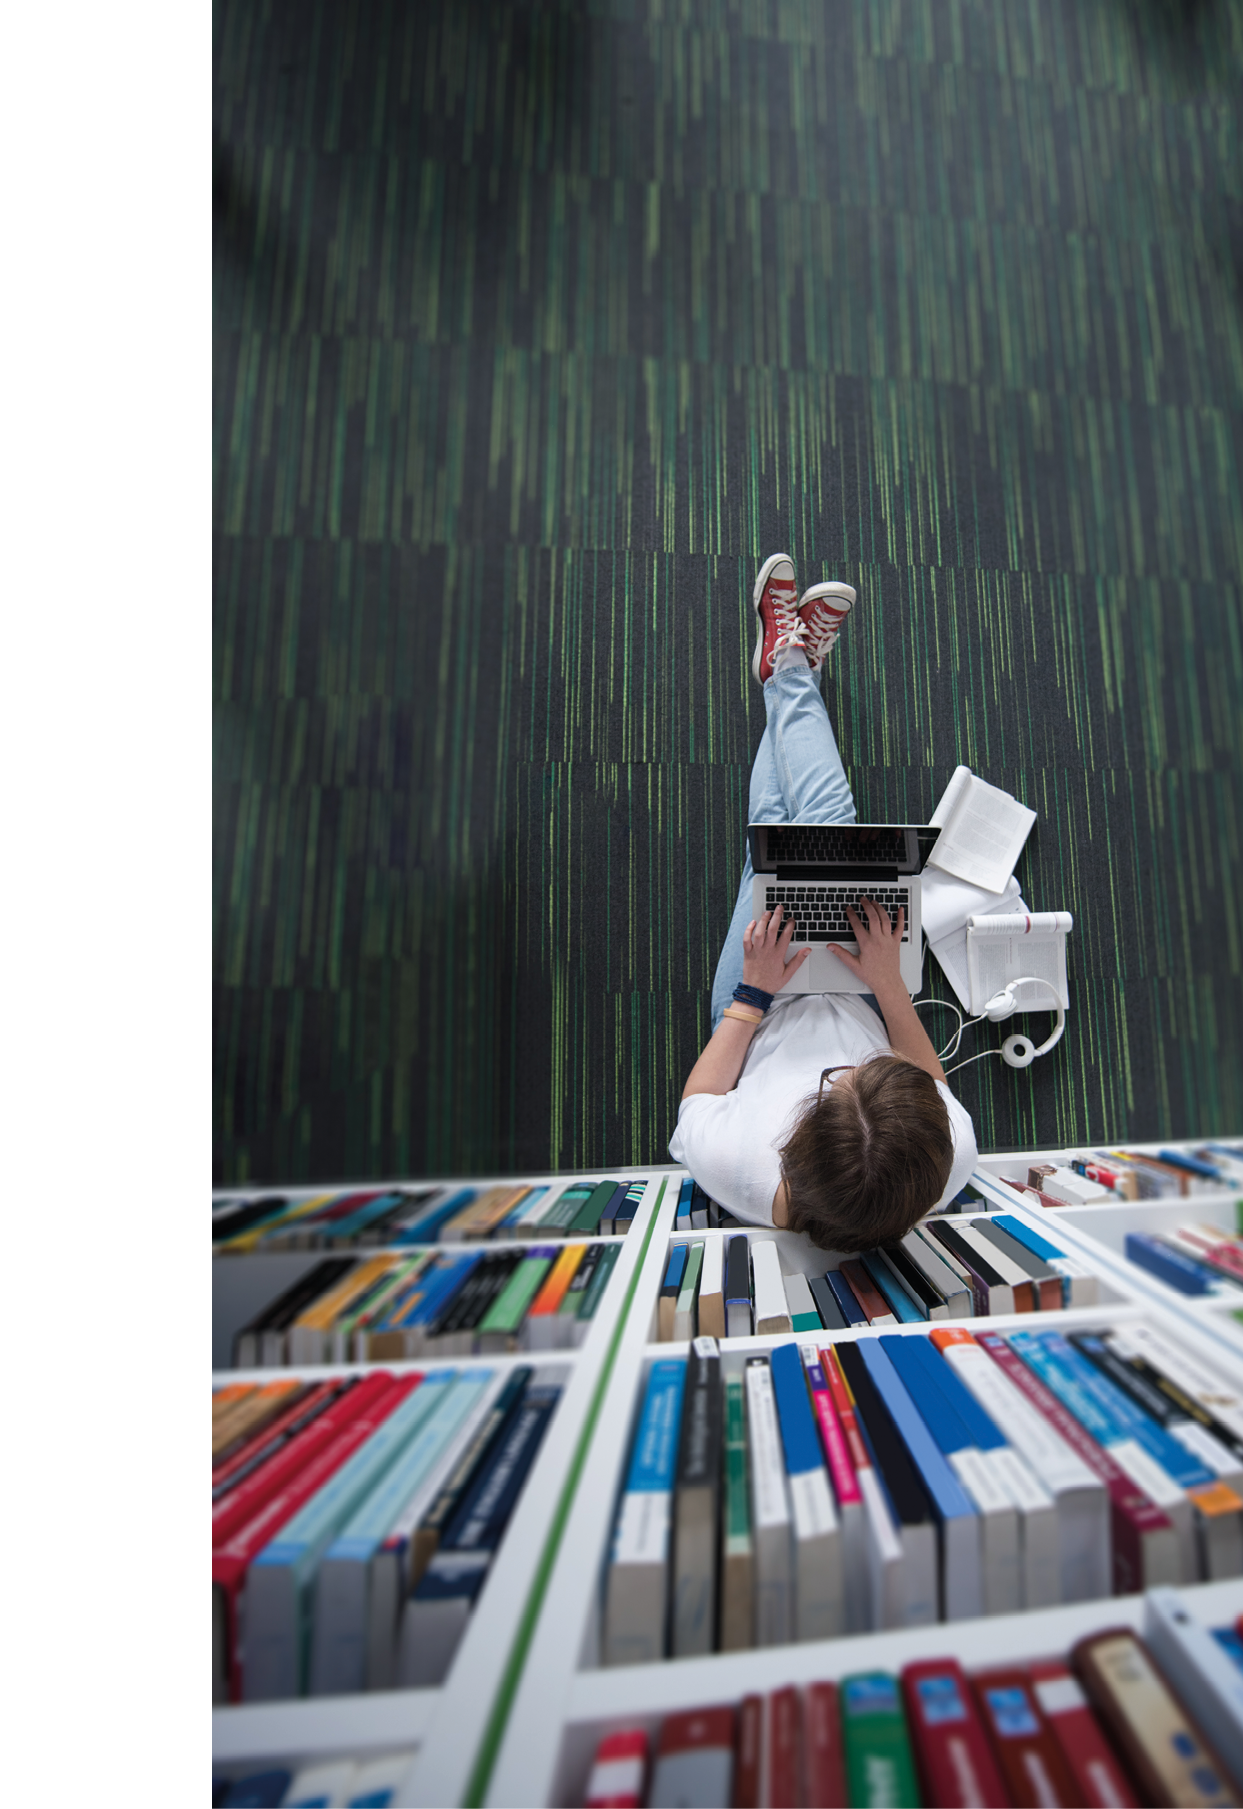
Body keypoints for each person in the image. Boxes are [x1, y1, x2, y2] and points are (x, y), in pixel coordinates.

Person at [669, 554, 978, 1252]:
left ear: (793, 1142)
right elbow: (928, 1080)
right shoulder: (946, 1157)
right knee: (808, 838)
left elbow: (701, 1096)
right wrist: (886, 987)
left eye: (837, 1082)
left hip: (755, 1005)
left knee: (779, 850)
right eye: (869, 1072)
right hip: (867, 992)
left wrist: (753, 991)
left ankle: (790, 669)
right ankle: (785, 670)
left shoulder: (735, 1167)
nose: (844, 1065)